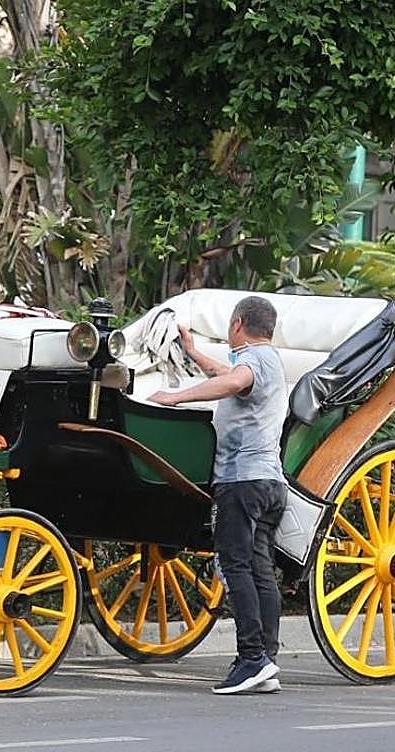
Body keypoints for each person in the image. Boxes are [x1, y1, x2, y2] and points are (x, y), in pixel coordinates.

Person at [148, 296, 287, 694]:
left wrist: (173, 397)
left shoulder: (254, 361)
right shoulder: (268, 360)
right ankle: (266, 661)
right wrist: (193, 354)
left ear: (238, 324)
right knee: (259, 570)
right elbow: (230, 374)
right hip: (268, 483)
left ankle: (251, 659)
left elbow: (232, 381)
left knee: (235, 565)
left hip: (241, 481)